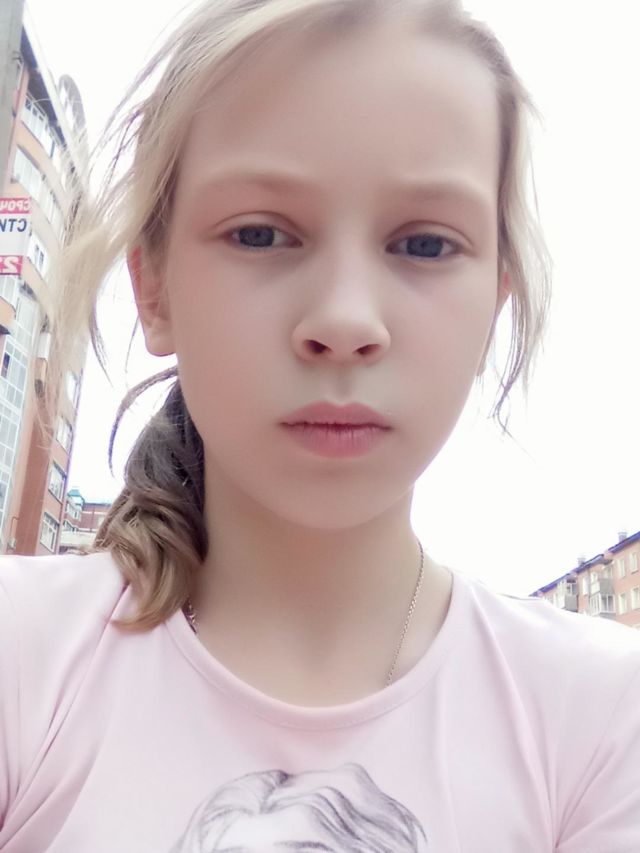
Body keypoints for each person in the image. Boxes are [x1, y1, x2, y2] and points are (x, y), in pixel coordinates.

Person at [1, 0, 638, 850]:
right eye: (261, 233)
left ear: (495, 302)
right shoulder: (21, 659)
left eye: (424, 245)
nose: (344, 320)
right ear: (153, 287)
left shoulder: (599, 719)